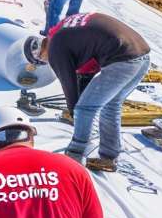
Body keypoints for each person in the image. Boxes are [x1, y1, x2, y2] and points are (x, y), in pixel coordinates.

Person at [27, 13, 152, 172]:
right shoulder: (62, 32)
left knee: (84, 109)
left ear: (40, 54)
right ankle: (109, 157)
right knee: (111, 105)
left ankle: (74, 156)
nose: (46, 62)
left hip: (122, 58)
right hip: (141, 53)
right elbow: (87, 73)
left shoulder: (55, 50)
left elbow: (68, 83)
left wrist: (74, 111)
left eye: (41, 61)